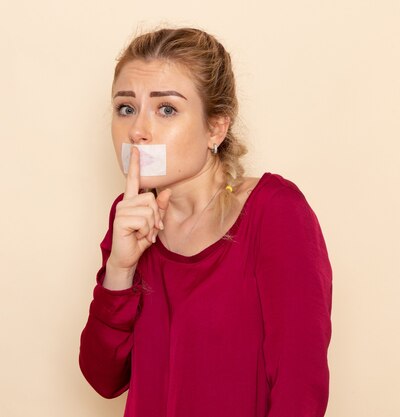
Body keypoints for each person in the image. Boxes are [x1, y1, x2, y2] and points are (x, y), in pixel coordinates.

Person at [78, 27, 333, 417]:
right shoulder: (130, 216)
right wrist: (120, 269)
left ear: (216, 127)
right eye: (126, 108)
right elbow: (104, 378)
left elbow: (300, 389)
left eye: (166, 109)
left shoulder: (275, 212)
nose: (138, 132)